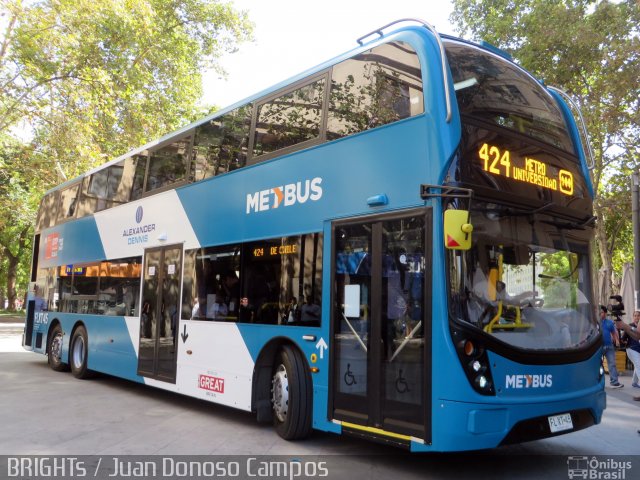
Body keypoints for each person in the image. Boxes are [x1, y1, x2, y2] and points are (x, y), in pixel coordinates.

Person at [614, 314, 640, 434]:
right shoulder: (633, 325)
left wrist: (626, 327)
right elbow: (637, 335)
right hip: (632, 349)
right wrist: (626, 327)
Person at [601, 305, 623, 388]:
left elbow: (613, 332)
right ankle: (600, 382)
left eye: (602, 312)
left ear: (605, 313)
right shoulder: (595, 322)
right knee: (598, 365)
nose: (600, 313)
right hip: (598, 347)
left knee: (612, 364)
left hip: (609, 346)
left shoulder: (609, 322)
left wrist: (616, 340)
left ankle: (614, 382)